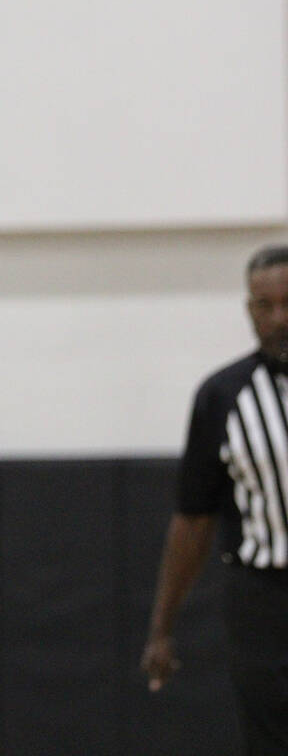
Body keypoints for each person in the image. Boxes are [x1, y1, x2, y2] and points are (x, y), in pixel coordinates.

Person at [141, 244, 288, 754]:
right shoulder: (222, 397)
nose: (279, 319)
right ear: (249, 310)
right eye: (264, 307)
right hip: (263, 597)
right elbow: (193, 520)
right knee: (269, 734)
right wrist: (162, 628)